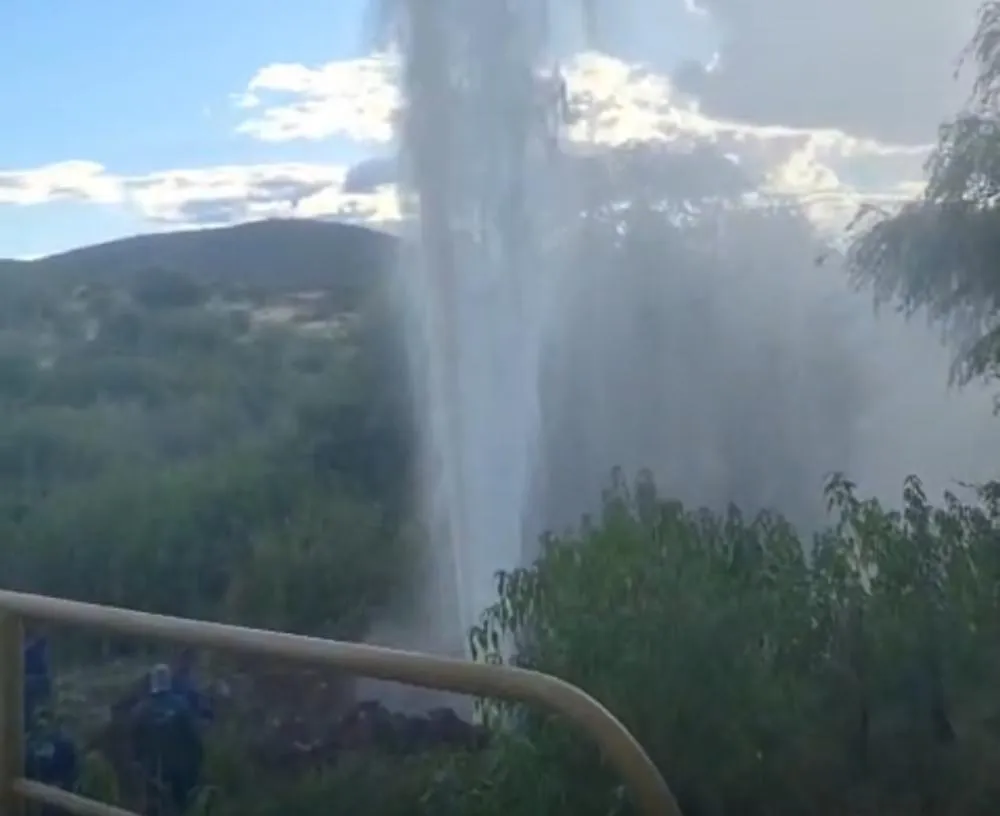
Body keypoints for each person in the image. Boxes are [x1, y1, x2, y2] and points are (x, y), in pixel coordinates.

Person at [128, 664, 206, 816]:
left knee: (152, 807)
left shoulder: (141, 710)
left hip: (152, 773)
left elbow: (134, 744)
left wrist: (140, 764)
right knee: (181, 808)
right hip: (179, 773)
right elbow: (194, 741)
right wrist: (195, 770)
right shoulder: (182, 706)